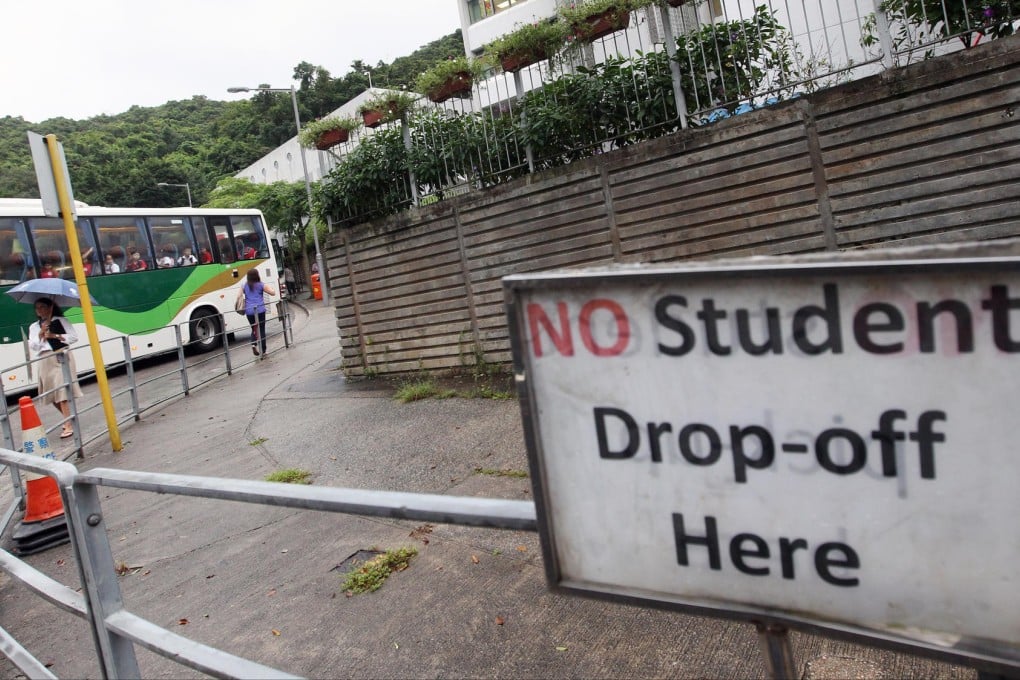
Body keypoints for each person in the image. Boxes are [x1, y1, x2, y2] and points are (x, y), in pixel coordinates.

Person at [27, 298, 83, 439]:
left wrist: (54, 335)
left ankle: (69, 424)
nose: (39, 310)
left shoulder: (60, 321)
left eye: (42, 307)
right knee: (51, 394)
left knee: (62, 391)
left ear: (50, 307)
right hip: (45, 360)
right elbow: (33, 346)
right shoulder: (34, 326)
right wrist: (41, 335)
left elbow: (73, 337)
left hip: (60, 357)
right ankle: (69, 418)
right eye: (37, 308)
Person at [235, 269, 276, 359]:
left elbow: (238, 296)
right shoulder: (261, 284)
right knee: (261, 329)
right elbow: (272, 293)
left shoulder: (244, 285)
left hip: (249, 311)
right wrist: (270, 288)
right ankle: (263, 350)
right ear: (257, 275)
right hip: (260, 310)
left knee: (254, 327)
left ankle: (254, 344)